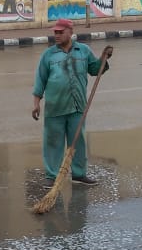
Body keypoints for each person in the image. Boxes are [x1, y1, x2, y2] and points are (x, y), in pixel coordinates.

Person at [31, 19, 113, 185]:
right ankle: (51, 176)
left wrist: (103, 59)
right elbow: (40, 80)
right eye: (55, 32)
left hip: (77, 106)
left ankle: (79, 174)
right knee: (53, 142)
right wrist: (36, 103)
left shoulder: (83, 51)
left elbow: (94, 70)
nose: (57, 35)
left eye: (60, 32)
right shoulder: (48, 55)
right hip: (55, 106)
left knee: (78, 141)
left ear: (70, 32)